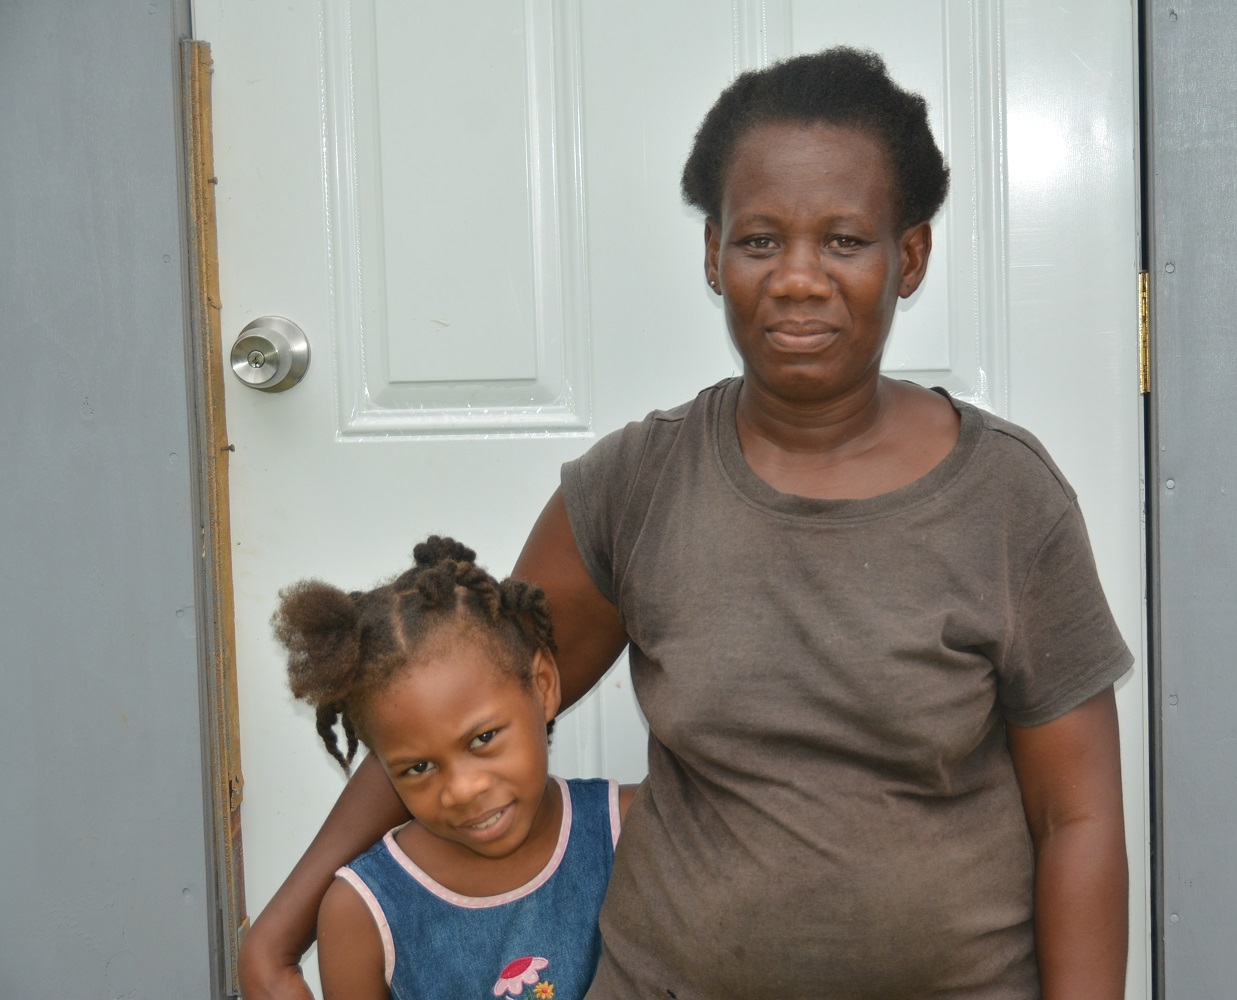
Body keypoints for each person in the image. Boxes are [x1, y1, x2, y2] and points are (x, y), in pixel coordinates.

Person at [242, 47, 1131, 1000]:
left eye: (843, 241)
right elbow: (449, 699)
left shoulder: (1007, 499)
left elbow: (1076, 819)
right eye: (759, 241)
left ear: (907, 257)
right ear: (713, 255)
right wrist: (279, 932)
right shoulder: (640, 484)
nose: (797, 278)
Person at [271, 536, 634, 999]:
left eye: (483, 739)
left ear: (543, 686)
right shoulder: (361, 913)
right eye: (419, 767)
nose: (461, 791)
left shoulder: (629, 829)